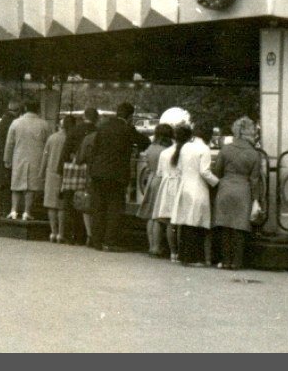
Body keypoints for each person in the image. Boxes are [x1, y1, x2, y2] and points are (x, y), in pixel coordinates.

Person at [84, 102, 145, 251]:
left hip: (98, 173)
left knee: (98, 207)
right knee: (114, 208)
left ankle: (96, 240)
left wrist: (92, 170)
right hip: (117, 175)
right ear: (130, 117)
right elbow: (145, 142)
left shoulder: (103, 126)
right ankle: (109, 241)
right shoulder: (127, 129)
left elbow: (95, 149)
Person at [212, 117, 263, 270]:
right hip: (243, 190)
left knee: (225, 226)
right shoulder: (254, 154)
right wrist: (256, 199)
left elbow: (217, 171)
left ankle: (225, 261)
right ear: (251, 132)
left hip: (225, 188)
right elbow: (254, 180)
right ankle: (237, 263)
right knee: (239, 228)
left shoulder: (226, 149)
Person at [170, 122, 219, 265]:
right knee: (197, 223)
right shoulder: (204, 149)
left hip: (185, 186)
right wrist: (217, 182)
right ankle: (195, 258)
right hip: (198, 187)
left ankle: (183, 256)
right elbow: (205, 171)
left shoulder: (186, 146)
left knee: (185, 223)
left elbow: (179, 167)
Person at [3, 98, 51, 221]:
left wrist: (7, 159)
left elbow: (9, 143)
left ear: (24, 108)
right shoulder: (44, 124)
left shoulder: (15, 123)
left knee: (16, 184)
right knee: (31, 186)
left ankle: (13, 210)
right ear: (38, 109)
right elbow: (48, 144)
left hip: (19, 156)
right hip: (37, 158)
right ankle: (27, 212)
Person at [136, 123, 174, 256]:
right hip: (161, 180)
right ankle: (157, 247)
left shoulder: (151, 148)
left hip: (151, 179)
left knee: (150, 216)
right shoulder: (166, 150)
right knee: (158, 216)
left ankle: (151, 245)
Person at [70, 108, 101, 245]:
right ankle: (96, 234)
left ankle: (88, 234)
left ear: (84, 117)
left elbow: (79, 158)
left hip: (86, 174)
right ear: (97, 119)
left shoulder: (78, 132)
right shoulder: (99, 133)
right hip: (99, 172)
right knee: (98, 204)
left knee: (86, 204)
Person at [41, 116, 71, 242]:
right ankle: (61, 234)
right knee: (61, 206)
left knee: (51, 205)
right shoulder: (69, 139)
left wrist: (41, 172)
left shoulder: (51, 138)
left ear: (60, 126)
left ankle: (53, 232)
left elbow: (45, 156)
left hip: (51, 173)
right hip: (65, 173)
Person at [0, 101, 19, 215]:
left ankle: (4, 209)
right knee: (7, 186)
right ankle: (6, 210)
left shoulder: (4, 121)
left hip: (2, 157)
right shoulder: (12, 122)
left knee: (4, 186)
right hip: (7, 158)